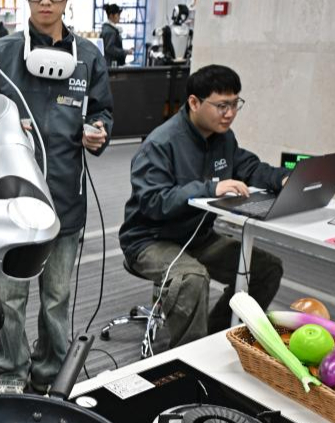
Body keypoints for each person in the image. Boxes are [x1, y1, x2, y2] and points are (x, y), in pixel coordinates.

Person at [0, 0, 114, 395]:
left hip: (65, 198)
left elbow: (103, 112)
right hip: (10, 202)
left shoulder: (88, 57)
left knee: (57, 298)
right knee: (10, 298)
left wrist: (98, 131)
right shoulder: (1, 54)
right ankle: (10, 374)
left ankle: (50, 371)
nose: (46, 2)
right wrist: (5, 127)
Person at [118, 65, 288, 348]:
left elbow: (249, 167)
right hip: (149, 241)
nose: (230, 113)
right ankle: (189, 358)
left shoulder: (223, 138)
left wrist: (282, 179)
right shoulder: (161, 143)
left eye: (235, 104)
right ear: (194, 103)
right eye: (222, 106)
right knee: (191, 278)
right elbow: (153, 202)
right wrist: (210, 189)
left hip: (197, 237)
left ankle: (216, 338)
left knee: (266, 268)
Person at [100, 4, 127, 68]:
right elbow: (110, 48)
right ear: (111, 16)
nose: (119, 17)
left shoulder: (109, 29)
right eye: (118, 15)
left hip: (109, 63)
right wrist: (124, 52)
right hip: (111, 64)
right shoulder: (110, 31)